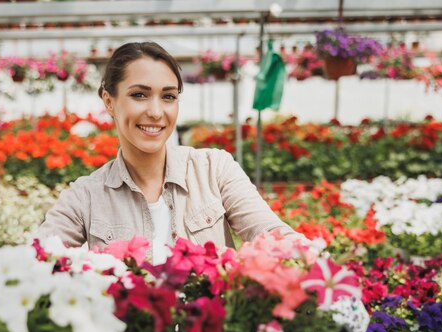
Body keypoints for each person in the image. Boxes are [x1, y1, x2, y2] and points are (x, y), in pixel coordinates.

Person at [36, 41, 301, 262]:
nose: (155, 112)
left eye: (168, 96)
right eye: (139, 95)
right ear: (109, 101)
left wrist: (314, 259)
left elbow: (271, 234)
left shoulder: (214, 169)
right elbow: (36, 259)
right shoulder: (86, 196)